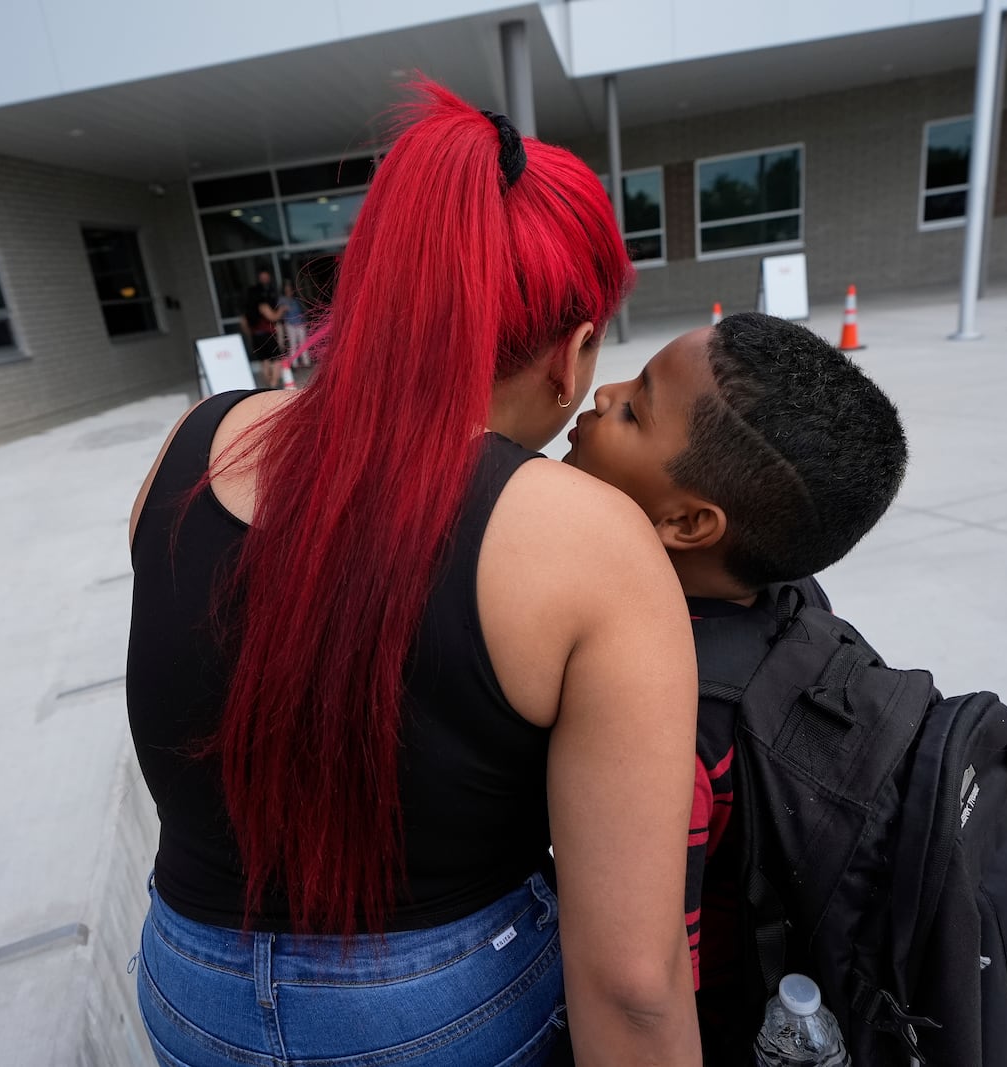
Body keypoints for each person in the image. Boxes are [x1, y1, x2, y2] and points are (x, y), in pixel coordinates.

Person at [126, 81, 703, 1067]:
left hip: (186, 984)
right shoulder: (588, 538)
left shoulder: (196, 443)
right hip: (441, 1010)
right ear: (571, 354)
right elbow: (633, 978)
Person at [563, 312, 907, 1063]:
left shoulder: (663, 704)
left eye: (632, 409)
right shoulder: (799, 601)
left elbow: (646, 976)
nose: (600, 394)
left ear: (687, 521)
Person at [242, 269, 284, 386]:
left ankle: (268, 384)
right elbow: (273, 317)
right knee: (276, 360)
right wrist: (281, 310)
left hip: (256, 336)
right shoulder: (262, 305)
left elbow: (244, 324)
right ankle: (274, 383)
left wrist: (251, 335)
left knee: (264, 361)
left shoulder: (248, 311)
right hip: (268, 335)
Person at [277, 279, 309, 366]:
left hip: (300, 323)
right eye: (286, 289)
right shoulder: (282, 300)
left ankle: (306, 362)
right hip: (290, 323)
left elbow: (302, 310)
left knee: (303, 343)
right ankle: (294, 363)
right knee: (293, 344)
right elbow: (280, 312)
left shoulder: (296, 299)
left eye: (290, 289)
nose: (288, 291)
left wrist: (304, 321)